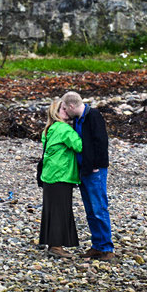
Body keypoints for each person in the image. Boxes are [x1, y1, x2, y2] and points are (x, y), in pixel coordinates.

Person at [61, 91, 115, 261]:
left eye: (64, 108)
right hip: (84, 170)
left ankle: (106, 247)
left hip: (95, 171)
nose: (63, 111)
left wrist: (96, 166)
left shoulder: (93, 116)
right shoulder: (78, 119)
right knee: (91, 210)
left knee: (99, 208)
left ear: (71, 106)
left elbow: (101, 142)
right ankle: (97, 245)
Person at [39, 98, 83, 258]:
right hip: (61, 175)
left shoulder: (49, 129)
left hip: (49, 175)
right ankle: (56, 246)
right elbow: (79, 146)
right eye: (63, 109)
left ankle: (53, 243)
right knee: (60, 210)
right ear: (56, 113)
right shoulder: (64, 129)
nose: (67, 111)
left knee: (52, 210)